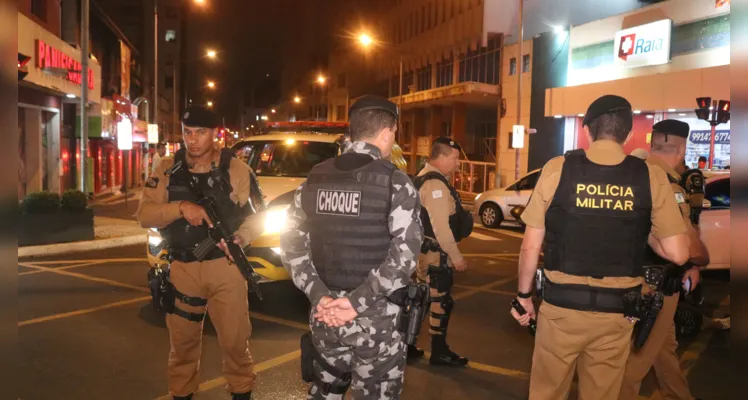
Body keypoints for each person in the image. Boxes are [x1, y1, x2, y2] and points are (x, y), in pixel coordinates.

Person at [510, 94, 690, 400]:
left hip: (561, 311)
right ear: (630, 134)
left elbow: (530, 247)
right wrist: (640, 224)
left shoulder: (557, 169)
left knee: (546, 393)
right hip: (617, 315)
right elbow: (679, 254)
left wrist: (524, 297)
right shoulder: (649, 176)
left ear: (587, 130)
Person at [280, 95, 423, 400]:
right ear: (387, 132)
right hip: (377, 322)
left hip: (324, 315)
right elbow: (405, 258)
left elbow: (290, 244)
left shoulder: (314, 179)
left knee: (326, 391)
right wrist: (356, 304)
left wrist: (319, 295)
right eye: (394, 134)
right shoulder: (395, 182)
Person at [136, 105, 265, 400]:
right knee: (182, 346)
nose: (192, 140)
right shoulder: (167, 169)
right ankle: (182, 394)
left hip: (226, 266)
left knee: (234, 342)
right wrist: (180, 208)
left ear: (215, 134)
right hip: (183, 268)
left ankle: (241, 392)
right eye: (188, 133)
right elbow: (144, 215)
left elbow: (259, 216)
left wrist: (242, 237)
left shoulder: (236, 169)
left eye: (200, 133)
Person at [620, 120, 710, 400]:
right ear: (682, 148)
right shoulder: (667, 184)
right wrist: (700, 261)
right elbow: (686, 244)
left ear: (653, 144)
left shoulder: (633, 173)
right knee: (634, 365)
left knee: (664, 350)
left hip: (631, 280)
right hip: (655, 288)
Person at [408, 137, 473, 366]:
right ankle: (439, 351)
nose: (457, 163)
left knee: (422, 300)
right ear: (442, 157)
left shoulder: (421, 177)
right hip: (435, 255)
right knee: (440, 303)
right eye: (455, 158)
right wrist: (457, 257)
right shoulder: (434, 184)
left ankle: (407, 346)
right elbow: (441, 228)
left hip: (424, 252)